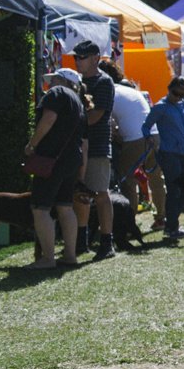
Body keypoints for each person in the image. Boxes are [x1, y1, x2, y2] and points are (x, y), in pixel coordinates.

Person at [22, 67, 87, 269]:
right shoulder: (79, 102)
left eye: (53, 79)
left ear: (62, 80)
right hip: (71, 160)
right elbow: (84, 142)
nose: (49, 84)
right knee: (65, 206)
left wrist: (32, 145)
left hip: (51, 159)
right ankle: (70, 255)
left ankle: (48, 258)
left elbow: (48, 119)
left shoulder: (56, 93)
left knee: (40, 208)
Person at [68, 40, 116, 258]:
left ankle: (107, 243)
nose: (77, 61)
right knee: (81, 193)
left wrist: (67, 124)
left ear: (96, 58)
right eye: (76, 57)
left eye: (82, 57)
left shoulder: (103, 82)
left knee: (100, 194)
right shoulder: (76, 82)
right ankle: (81, 241)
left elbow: (96, 116)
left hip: (96, 147)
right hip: (78, 146)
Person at [144, 77, 184, 243]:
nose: (178, 97)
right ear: (169, 89)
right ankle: (171, 227)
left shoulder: (180, 104)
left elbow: (183, 125)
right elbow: (146, 126)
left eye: (182, 94)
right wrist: (149, 138)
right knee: (174, 189)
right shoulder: (160, 107)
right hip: (169, 153)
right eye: (176, 93)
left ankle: (172, 224)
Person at [109, 73, 154, 213]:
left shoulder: (109, 92)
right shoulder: (131, 93)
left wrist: (116, 134)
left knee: (126, 180)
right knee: (151, 178)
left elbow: (109, 124)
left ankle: (129, 215)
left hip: (134, 138)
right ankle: (160, 216)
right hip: (151, 134)